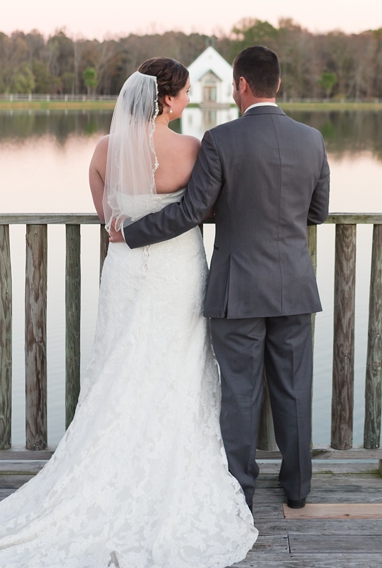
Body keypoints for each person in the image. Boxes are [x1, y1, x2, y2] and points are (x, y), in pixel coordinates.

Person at [0, 59, 257, 568]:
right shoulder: (192, 148)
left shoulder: (104, 149)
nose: (189, 100)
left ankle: (100, 466)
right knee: (176, 366)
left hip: (124, 271)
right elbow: (206, 209)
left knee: (119, 364)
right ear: (165, 100)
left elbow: (109, 219)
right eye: (186, 93)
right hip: (176, 272)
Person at [123, 46, 330, 511]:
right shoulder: (312, 140)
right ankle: (297, 491)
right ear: (276, 84)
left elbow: (192, 212)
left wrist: (131, 233)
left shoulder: (220, 140)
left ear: (239, 85)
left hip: (237, 290)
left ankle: (241, 493)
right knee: (294, 392)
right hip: (294, 287)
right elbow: (317, 212)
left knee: (240, 393)